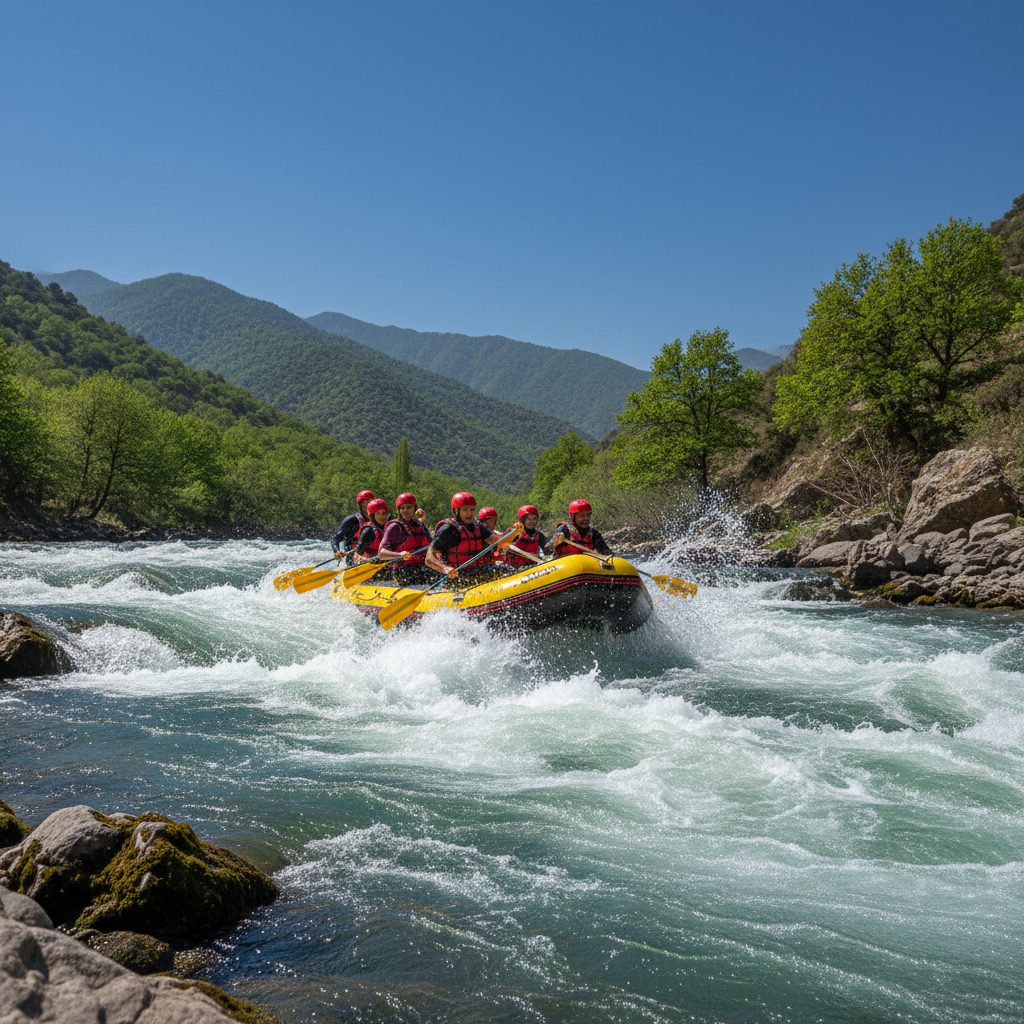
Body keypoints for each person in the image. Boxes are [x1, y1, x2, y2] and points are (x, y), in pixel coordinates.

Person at [425, 492, 518, 580]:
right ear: (456, 511)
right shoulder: (448, 529)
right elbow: (429, 559)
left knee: (509, 570)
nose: (469, 513)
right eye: (465, 509)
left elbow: (500, 544)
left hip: (476, 571)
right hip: (456, 576)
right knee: (504, 571)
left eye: (472, 509)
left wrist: (514, 532)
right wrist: (445, 568)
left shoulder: (478, 526)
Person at [378, 492, 433, 584]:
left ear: (414, 508)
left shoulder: (420, 525)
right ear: (399, 510)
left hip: (422, 566)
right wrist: (399, 555)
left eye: (409, 507)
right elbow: (381, 554)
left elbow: (432, 546)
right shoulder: (394, 527)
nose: (405, 511)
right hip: (403, 569)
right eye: (402, 508)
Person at [548, 499, 612, 558]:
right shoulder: (564, 530)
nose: (586, 518)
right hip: (564, 565)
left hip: (585, 565)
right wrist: (554, 542)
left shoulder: (593, 533)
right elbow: (547, 551)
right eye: (582, 515)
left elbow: (607, 553)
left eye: (588, 515)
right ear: (573, 516)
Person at [332, 489, 376, 561]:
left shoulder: (377, 519)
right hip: (353, 558)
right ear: (360, 504)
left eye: (370, 502)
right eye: (365, 502)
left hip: (371, 556)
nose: (368, 505)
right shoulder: (352, 520)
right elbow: (336, 538)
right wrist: (337, 551)